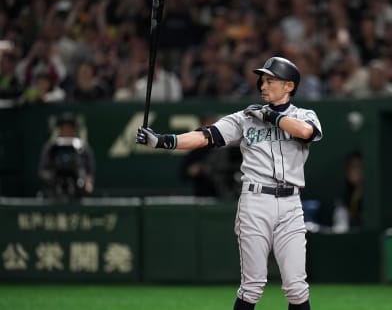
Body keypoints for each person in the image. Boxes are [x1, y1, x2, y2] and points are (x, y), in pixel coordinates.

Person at [137, 56, 322, 310]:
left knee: (297, 288)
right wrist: (163, 141)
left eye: (270, 81)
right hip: (256, 202)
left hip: (291, 205)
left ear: (289, 86)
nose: (262, 86)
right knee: (252, 286)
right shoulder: (247, 117)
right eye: (262, 81)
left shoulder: (304, 114)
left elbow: (306, 132)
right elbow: (205, 136)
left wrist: (271, 117)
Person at [38, 112, 95, 202]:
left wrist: (86, 183)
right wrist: (54, 178)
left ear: (75, 129)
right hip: (54, 193)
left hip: (78, 194)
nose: (67, 131)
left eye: (70, 128)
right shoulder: (52, 147)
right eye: (64, 128)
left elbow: (89, 173)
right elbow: (43, 171)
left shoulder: (82, 147)